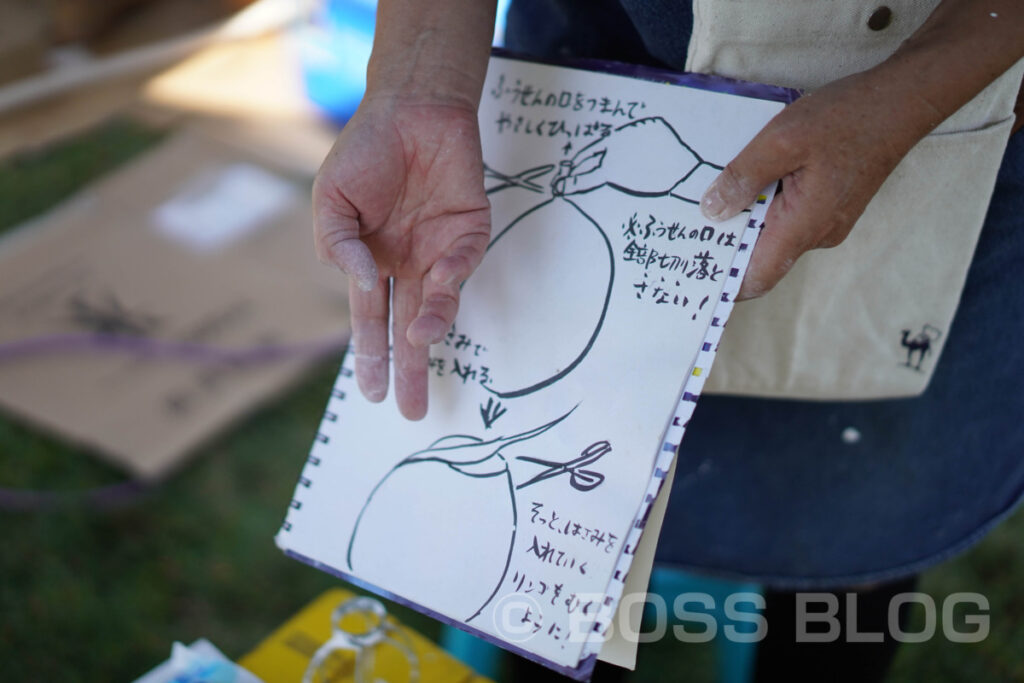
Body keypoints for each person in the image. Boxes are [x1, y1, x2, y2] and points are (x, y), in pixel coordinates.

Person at [312, 1, 1024, 679]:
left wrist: (912, 95)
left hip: (919, 116)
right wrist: (418, 85)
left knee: (852, 531)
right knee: (564, 546)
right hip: (593, 73)